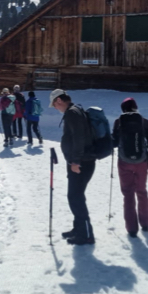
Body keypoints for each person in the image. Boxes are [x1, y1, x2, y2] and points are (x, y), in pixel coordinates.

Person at [52, 89, 95, 245]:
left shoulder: (72, 113)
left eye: (54, 105)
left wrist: (76, 161)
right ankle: (79, 229)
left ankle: (86, 235)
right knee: (76, 196)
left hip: (81, 162)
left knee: (75, 197)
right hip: (81, 161)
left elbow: (79, 137)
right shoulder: (76, 110)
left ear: (59, 100)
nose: (55, 108)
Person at [111, 97, 148, 238]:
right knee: (141, 191)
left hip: (124, 162)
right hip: (142, 162)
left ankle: (131, 228)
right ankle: (145, 223)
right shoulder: (144, 121)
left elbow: (114, 143)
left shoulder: (119, 121)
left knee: (128, 193)